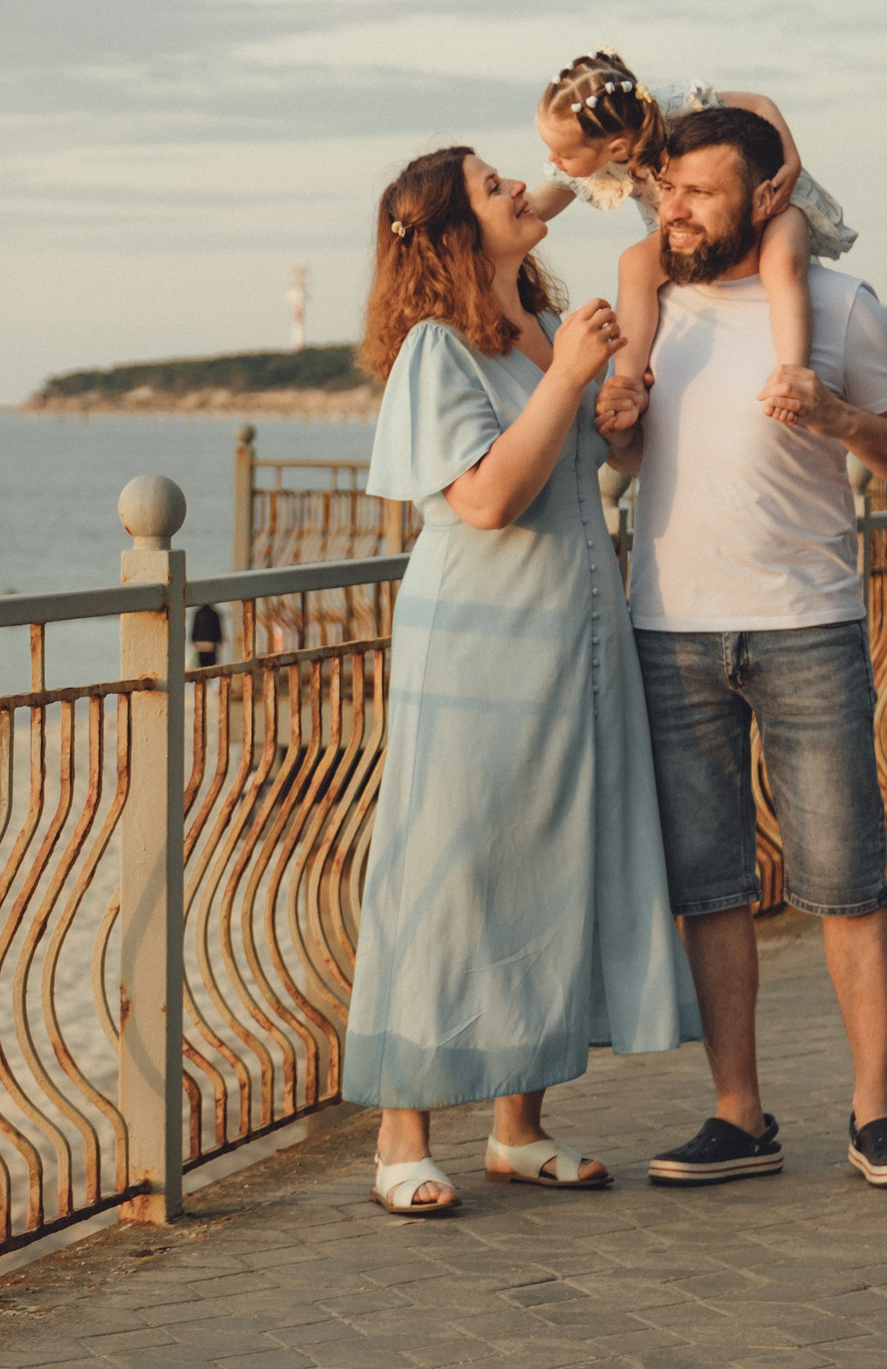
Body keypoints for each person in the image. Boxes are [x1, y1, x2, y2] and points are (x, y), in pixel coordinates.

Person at [595, 106, 887, 1191]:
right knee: (708, 888)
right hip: (669, 626)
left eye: (698, 193)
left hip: (808, 623)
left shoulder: (839, 305)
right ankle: (737, 1116)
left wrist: (843, 421)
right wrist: (611, 418)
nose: (676, 212)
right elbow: (615, 453)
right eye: (668, 193)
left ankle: (876, 1113)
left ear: (761, 199)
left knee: (846, 880)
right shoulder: (648, 309)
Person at [346, 145, 699, 1216]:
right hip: (479, 647)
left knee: (549, 862)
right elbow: (488, 498)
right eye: (490, 185)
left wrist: (613, 421)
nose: (515, 190)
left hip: (572, 635)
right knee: (448, 867)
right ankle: (400, 1135)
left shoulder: (528, 331)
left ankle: (517, 1128)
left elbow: (573, 468)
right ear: (455, 232)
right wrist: (567, 381)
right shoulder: (434, 352)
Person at [526, 51, 857, 424]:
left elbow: (760, 104)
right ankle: (627, 383)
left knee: (779, 260)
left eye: (562, 151)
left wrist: (791, 162)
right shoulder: (592, 159)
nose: (552, 158)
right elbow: (538, 205)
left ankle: (792, 373)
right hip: (688, 228)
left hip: (771, 198)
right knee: (634, 263)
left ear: (616, 149)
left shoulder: (676, 106)